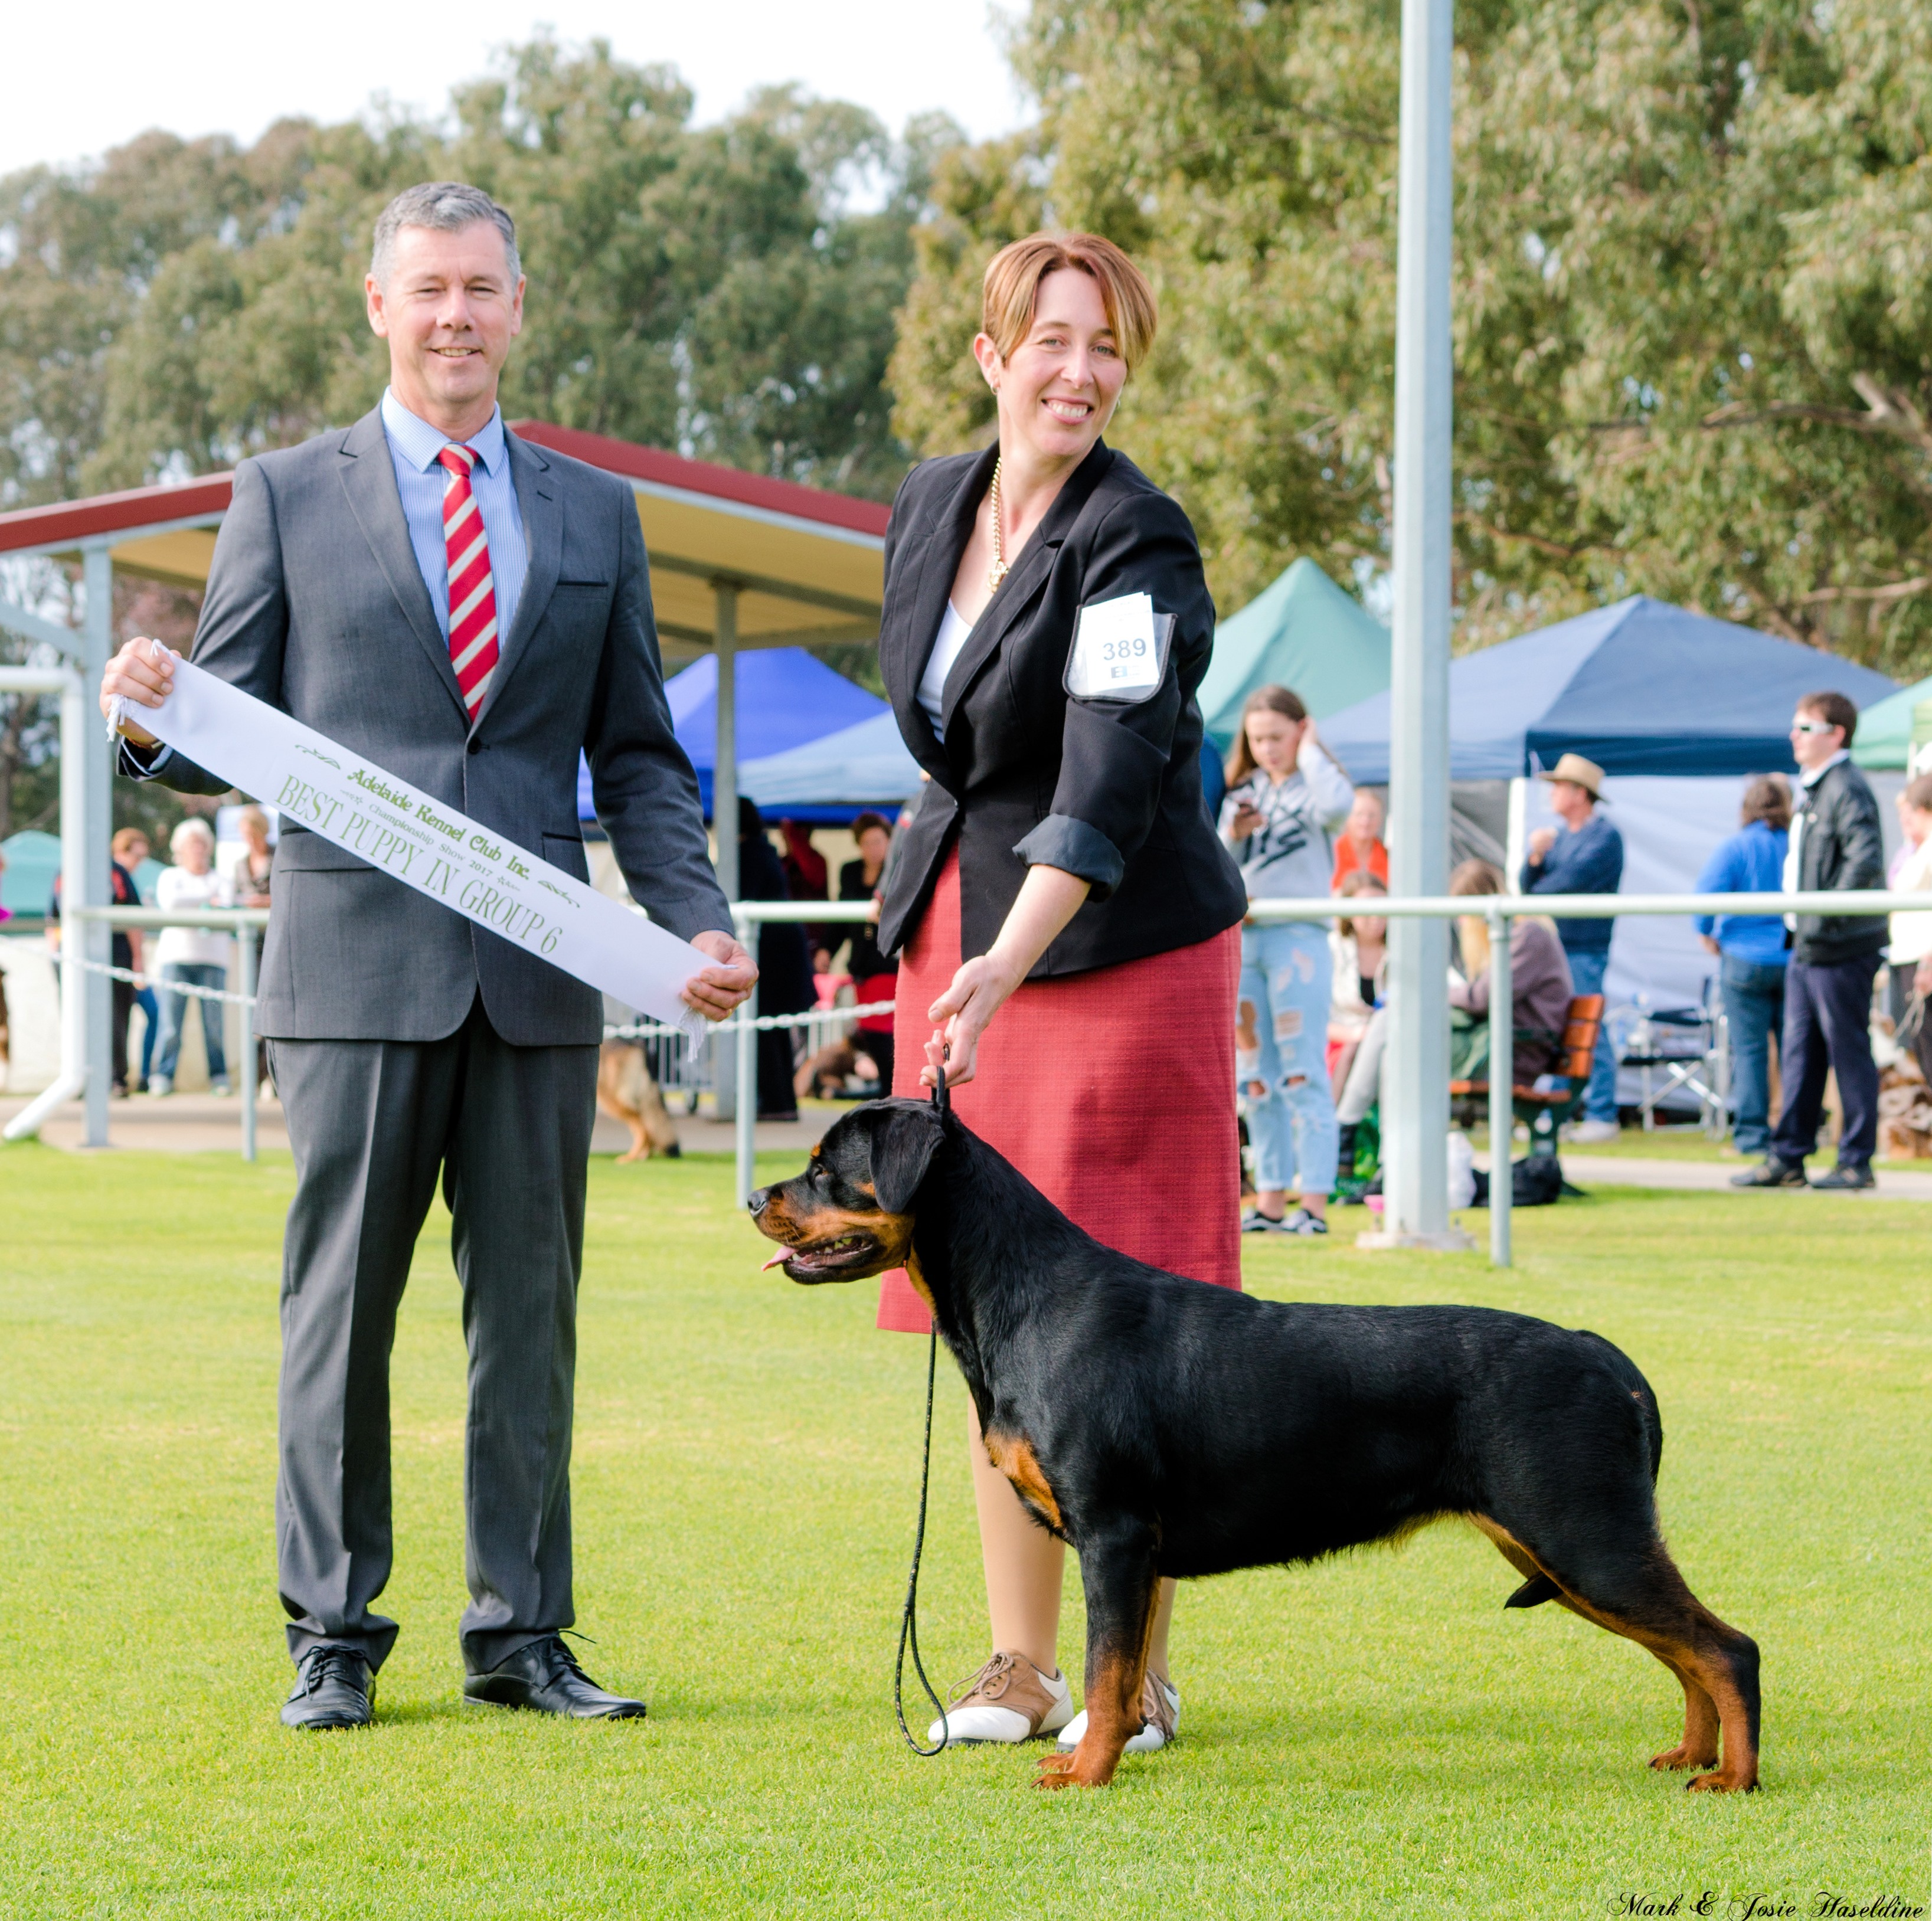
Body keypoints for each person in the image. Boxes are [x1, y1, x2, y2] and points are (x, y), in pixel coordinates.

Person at [100, 179, 754, 1731]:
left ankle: (522, 1629)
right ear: (377, 307)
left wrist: (693, 912)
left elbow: (641, 755)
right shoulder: (281, 493)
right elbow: (227, 725)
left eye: (482, 289)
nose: (456, 313)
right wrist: (156, 712)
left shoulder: (595, 511)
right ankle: (333, 1630)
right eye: (429, 290)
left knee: (529, 1313)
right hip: (351, 973)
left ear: (519, 310)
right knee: (340, 1308)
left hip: (539, 976)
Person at [869, 230, 1247, 1757]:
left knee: (1116, 1335)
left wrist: (1004, 960)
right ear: (991, 353)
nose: (1082, 372)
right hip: (957, 932)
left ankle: (1130, 1671)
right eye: (1055, 340)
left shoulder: (1135, 537)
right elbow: (949, 741)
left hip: (1110, 950)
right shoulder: (925, 502)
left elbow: (1104, 775)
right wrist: (947, 942)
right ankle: (1020, 1661)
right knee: (992, 1315)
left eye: (1108, 347)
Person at [1733, 692, 1885, 1190]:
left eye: (1805, 727)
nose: (1794, 736)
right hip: (1808, 943)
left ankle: (1855, 1162)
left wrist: (1819, 919)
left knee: (1847, 1050)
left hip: (1838, 944)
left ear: (1835, 734)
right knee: (1801, 1051)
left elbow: (1862, 862)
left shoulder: (1847, 787)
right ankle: (1788, 1156)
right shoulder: (1817, 788)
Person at [1221, 686, 1355, 1235]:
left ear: (1302, 730)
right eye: (1258, 739)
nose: (1267, 748)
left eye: (1278, 736)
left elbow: (1338, 809)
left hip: (1298, 939)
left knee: (1303, 1071)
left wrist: (1312, 753)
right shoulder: (1243, 794)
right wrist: (1233, 834)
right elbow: (1217, 863)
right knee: (1255, 1077)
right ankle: (1271, 1199)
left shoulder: (1317, 785)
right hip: (1247, 939)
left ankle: (1315, 1205)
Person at [1520, 751, 1623, 1143]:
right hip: (1557, 949)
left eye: (1558, 786)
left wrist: (1540, 875)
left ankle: (1601, 1112)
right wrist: (1534, 858)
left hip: (1584, 947)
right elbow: (1529, 886)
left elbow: (1565, 883)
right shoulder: (1559, 838)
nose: (1552, 794)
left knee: (1586, 1025)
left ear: (1579, 793)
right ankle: (1561, 1110)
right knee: (1560, 1028)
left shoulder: (1604, 838)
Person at [1694, 776, 1792, 1157]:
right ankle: (1796, 1133)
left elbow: (1704, 897)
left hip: (1742, 960)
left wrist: (1706, 932)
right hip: (1790, 957)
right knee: (1794, 1052)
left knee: (1749, 1052)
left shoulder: (1735, 847)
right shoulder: (1795, 846)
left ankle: (1752, 1137)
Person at [1445, 859, 1575, 1083]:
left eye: (1464, 914)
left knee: (1414, 1035)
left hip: (1516, 1051)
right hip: (1504, 1044)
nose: (1462, 923)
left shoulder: (1525, 934)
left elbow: (1483, 997)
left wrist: (1439, 994)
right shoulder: (1517, 932)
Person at [49, 826, 151, 1095]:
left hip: (116, 956)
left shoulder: (117, 872)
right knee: (76, 1019)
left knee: (117, 1020)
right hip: (73, 959)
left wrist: (138, 960)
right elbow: (53, 918)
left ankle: (117, 1079)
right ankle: (77, 1078)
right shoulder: (66, 872)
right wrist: (56, 955)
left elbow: (134, 919)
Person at [737, 797, 813, 1121]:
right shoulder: (763, 851)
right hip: (781, 954)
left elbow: (740, 895)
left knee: (765, 1029)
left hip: (771, 956)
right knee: (773, 1030)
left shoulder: (749, 855)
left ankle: (776, 1103)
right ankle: (781, 1102)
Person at [148, 819, 234, 1097]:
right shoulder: (170, 877)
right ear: (180, 849)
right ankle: (163, 1075)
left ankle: (219, 1076)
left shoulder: (221, 878)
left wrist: (197, 900)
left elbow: (227, 907)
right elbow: (171, 904)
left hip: (214, 960)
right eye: (190, 845)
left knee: (214, 1026)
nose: (196, 850)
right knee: (170, 1025)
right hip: (176, 958)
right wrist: (208, 899)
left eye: (201, 844)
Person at [838, 810, 898, 1091]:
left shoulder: (897, 872)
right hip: (862, 967)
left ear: (889, 841)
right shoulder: (850, 872)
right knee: (870, 1035)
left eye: (878, 841)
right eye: (866, 843)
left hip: (889, 965)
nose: (873, 849)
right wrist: (827, 950)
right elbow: (841, 920)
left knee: (884, 1036)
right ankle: (888, 1089)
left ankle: (890, 1089)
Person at [1886, 774, 1932, 1030]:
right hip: (1911, 959)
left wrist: (1928, 963)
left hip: (1923, 959)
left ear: (1922, 809)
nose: (1903, 818)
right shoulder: (1920, 850)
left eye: (1908, 811)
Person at [1331, 787, 1388, 892]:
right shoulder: (1331, 852)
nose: (1365, 821)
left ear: (1380, 819)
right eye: (1359, 814)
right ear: (1347, 818)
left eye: (1372, 816)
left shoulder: (1388, 857)